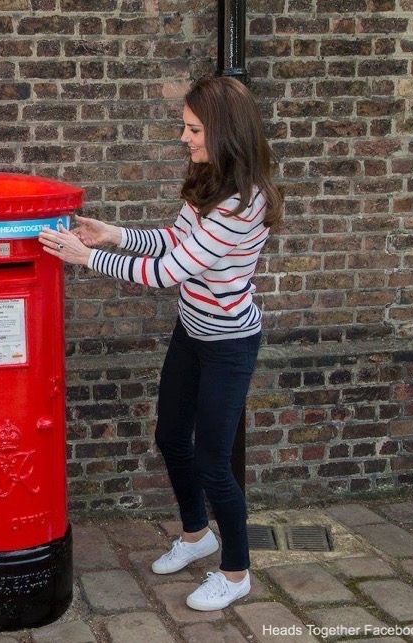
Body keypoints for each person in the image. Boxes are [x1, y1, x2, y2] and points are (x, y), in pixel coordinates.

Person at [38, 76, 283, 612]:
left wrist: (85, 258)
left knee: (215, 461)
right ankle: (198, 536)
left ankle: (236, 571)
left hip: (227, 343)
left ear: (223, 132)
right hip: (192, 330)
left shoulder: (243, 204)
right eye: (185, 127)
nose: (183, 138)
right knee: (172, 436)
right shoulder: (210, 179)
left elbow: (171, 270)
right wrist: (113, 234)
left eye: (193, 129)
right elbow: (174, 240)